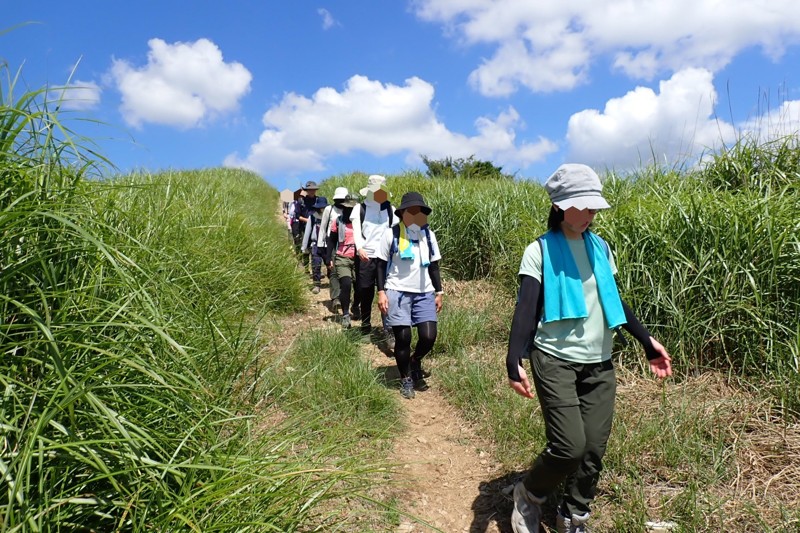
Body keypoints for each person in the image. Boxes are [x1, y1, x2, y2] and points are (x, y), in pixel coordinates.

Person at [505, 164, 673, 533]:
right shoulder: (539, 251)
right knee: (569, 447)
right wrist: (513, 358)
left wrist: (647, 342)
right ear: (560, 205)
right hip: (555, 359)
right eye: (581, 206)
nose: (589, 215)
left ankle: (574, 514)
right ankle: (529, 495)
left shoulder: (601, 248)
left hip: (600, 361)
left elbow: (613, 300)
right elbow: (526, 309)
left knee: (593, 450)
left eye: (593, 208)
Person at [376, 192, 443, 399]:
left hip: (425, 292)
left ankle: (415, 360)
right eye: (411, 211)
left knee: (429, 336)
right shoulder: (391, 234)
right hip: (397, 291)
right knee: (403, 338)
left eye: (419, 211)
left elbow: (434, 265)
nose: (415, 215)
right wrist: (381, 292)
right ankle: (406, 378)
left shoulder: (428, 235)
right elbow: (380, 264)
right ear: (403, 213)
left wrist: (439, 291)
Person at [351, 175, 398, 347]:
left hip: (385, 257)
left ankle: (389, 330)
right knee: (365, 291)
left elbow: (396, 231)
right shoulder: (360, 208)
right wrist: (360, 248)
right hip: (366, 255)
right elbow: (357, 231)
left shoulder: (391, 210)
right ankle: (365, 326)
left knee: (387, 293)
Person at [326, 194, 360, 328]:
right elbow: (331, 240)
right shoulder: (338, 222)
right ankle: (345, 314)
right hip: (342, 257)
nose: (348, 210)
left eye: (351, 208)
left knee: (360, 287)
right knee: (346, 283)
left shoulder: (361, 223)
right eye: (346, 208)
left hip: (359, 258)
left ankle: (356, 306)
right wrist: (328, 258)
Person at [319, 187, 351, 313]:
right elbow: (323, 227)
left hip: (346, 244)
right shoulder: (329, 209)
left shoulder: (350, 210)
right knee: (332, 271)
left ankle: (345, 296)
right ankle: (335, 297)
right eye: (338, 199)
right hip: (331, 242)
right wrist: (321, 246)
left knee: (345, 273)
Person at [301, 195, 329, 294]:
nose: (322, 209)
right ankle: (316, 284)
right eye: (320, 207)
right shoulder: (312, 217)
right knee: (316, 265)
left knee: (329, 264)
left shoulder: (330, 217)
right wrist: (304, 247)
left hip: (327, 245)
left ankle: (333, 284)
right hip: (316, 244)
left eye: (323, 207)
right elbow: (307, 232)